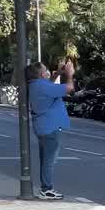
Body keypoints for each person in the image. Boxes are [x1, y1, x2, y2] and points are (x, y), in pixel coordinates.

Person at [26, 59, 75, 200]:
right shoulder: (42, 86)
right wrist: (69, 74)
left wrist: (58, 74)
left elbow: (49, 85)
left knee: (45, 160)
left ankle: (45, 188)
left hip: (43, 127)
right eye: (45, 69)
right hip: (50, 128)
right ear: (42, 74)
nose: (48, 71)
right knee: (49, 162)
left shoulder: (36, 85)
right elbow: (69, 88)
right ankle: (46, 189)